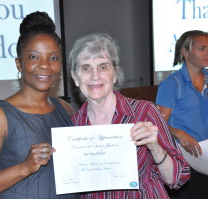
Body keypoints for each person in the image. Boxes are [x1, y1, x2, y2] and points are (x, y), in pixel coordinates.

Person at [0, 11, 77, 199]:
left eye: (54, 58)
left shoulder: (65, 109)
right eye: (34, 57)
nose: (45, 65)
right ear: (19, 64)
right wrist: (24, 168)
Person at [69, 33, 190, 199]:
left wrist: (155, 147)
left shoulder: (144, 112)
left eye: (103, 67)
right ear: (75, 77)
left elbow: (177, 179)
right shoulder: (73, 127)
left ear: (115, 74)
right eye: (85, 68)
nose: (95, 76)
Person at [156, 30, 208, 199]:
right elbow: (157, 123)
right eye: (202, 48)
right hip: (185, 159)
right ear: (185, 52)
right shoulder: (172, 84)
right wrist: (179, 133)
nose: (207, 52)